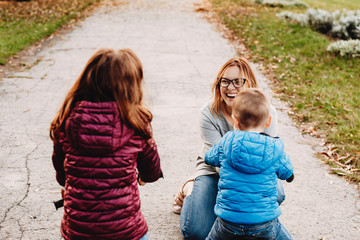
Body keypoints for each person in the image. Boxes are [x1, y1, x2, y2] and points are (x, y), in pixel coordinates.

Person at [50, 48, 163, 240]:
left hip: (78, 232)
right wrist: (141, 177)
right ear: (132, 87)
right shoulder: (136, 123)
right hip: (126, 232)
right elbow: (152, 172)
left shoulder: (67, 119)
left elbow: (62, 177)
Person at [174, 57, 285, 240]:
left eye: (237, 81)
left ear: (249, 83)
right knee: (196, 232)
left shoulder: (267, 112)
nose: (230, 87)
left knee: (277, 194)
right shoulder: (208, 113)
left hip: (253, 172)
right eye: (224, 81)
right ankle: (190, 186)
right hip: (214, 170)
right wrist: (239, 190)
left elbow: (269, 156)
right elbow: (217, 162)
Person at [205, 88, 294, 240]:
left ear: (235, 120)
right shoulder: (275, 148)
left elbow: (209, 158)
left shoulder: (227, 142)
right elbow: (287, 172)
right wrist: (290, 175)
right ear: (268, 121)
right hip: (263, 223)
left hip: (227, 221)